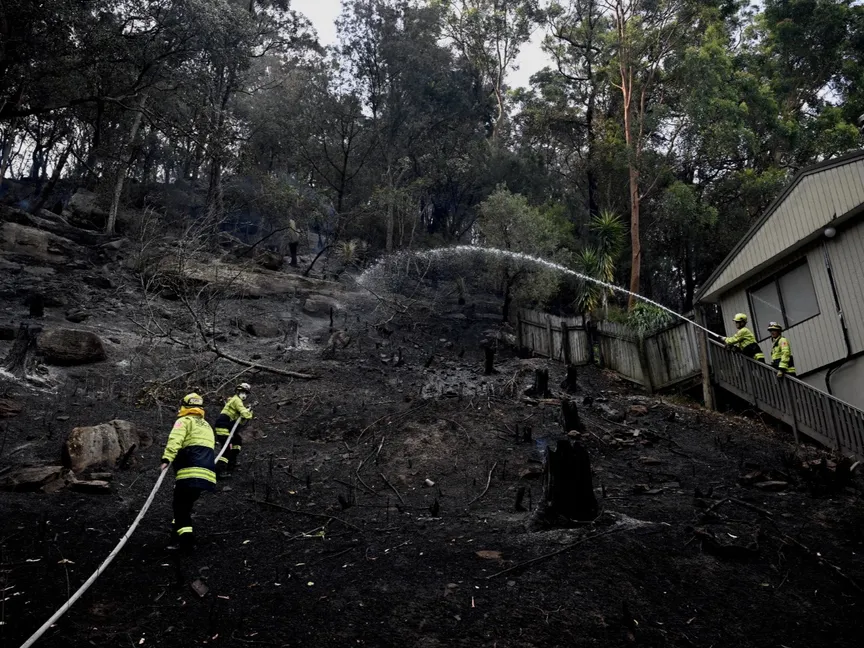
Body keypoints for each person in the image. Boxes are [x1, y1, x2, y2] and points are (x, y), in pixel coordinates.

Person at [161, 393, 216, 552]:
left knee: (180, 507)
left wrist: (166, 458)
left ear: (184, 406)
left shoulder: (184, 421)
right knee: (183, 507)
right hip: (206, 475)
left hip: (189, 473)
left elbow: (175, 440)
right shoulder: (206, 426)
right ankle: (175, 537)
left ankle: (186, 542)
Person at [214, 382, 254, 477]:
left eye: (246, 393)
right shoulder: (236, 400)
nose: (244, 395)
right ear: (237, 392)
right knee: (227, 447)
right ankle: (219, 470)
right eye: (242, 392)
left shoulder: (238, 402)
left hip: (229, 427)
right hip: (223, 426)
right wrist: (249, 412)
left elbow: (240, 421)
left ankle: (231, 462)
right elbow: (245, 415)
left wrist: (247, 412)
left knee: (237, 441)